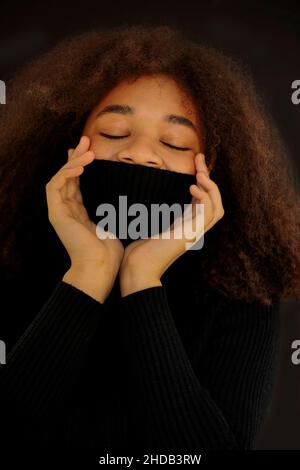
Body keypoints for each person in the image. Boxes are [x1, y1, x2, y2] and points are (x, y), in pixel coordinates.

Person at [0, 24, 299, 453]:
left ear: (211, 169)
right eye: (114, 133)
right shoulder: (13, 254)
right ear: (69, 147)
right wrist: (90, 272)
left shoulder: (241, 287)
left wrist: (141, 278)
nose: (139, 153)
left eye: (174, 142)